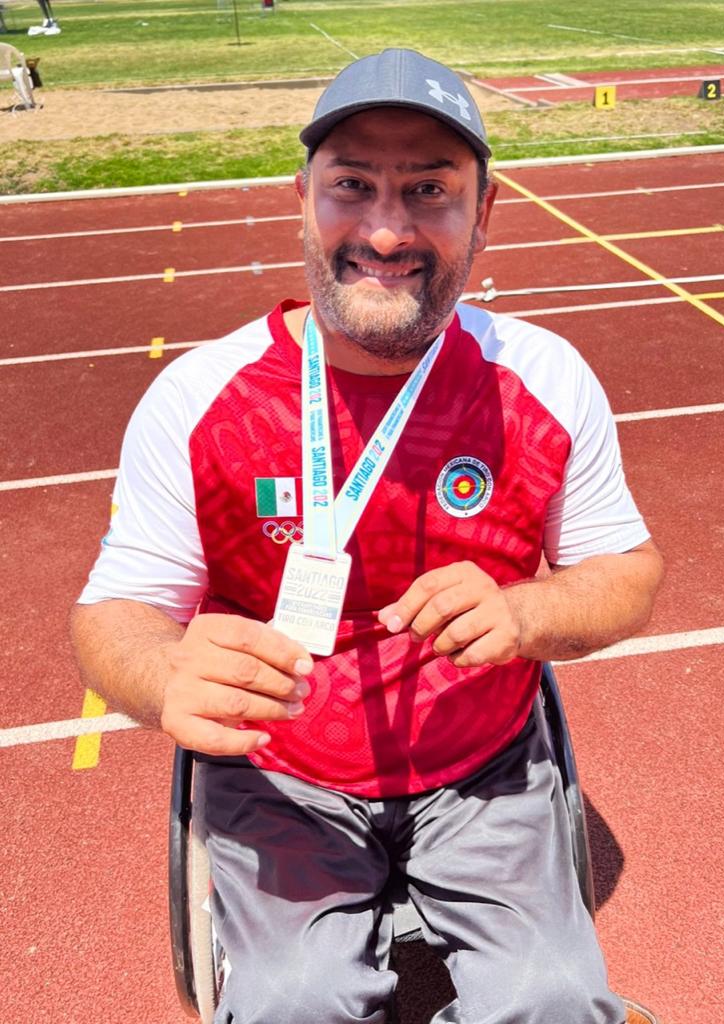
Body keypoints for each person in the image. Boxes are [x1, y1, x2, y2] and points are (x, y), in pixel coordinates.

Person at [71, 48, 664, 1024]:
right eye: (354, 185)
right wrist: (165, 670)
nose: (387, 230)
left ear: (485, 210)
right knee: (294, 1007)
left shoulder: (546, 378)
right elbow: (117, 612)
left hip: (486, 765)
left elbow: (627, 573)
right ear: (301, 197)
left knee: (553, 1001)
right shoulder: (197, 396)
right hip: (283, 776)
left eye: (429, 189)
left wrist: (526, 609)